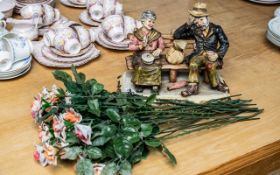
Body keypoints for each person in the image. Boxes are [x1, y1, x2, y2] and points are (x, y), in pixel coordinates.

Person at [173, 2, 229, 97]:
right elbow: (176, 35)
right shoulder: (194, 29)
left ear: (205, 19)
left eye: (199, 20)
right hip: (198, 55)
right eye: (195, 20)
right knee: (193, 63)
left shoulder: (216, 29)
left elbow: (225, 43)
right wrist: (187, 24)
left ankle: (216, 85)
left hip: (211, 56)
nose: (197, 23)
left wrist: (218, 54)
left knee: (210, 65)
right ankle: (192, 87)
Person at [128, 10, 165, 93]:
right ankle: (139, 84)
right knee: (140, 66)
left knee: (156, 66)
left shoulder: (156, 34)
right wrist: (139, 46)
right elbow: (130, 47)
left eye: (153, 22)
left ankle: (154, 84)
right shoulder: (137, 34)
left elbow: (162, 44)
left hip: (153, 55)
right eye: (149, 21)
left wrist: (159, 49)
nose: (151, 23)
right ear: (143, 21)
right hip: (140, 55)